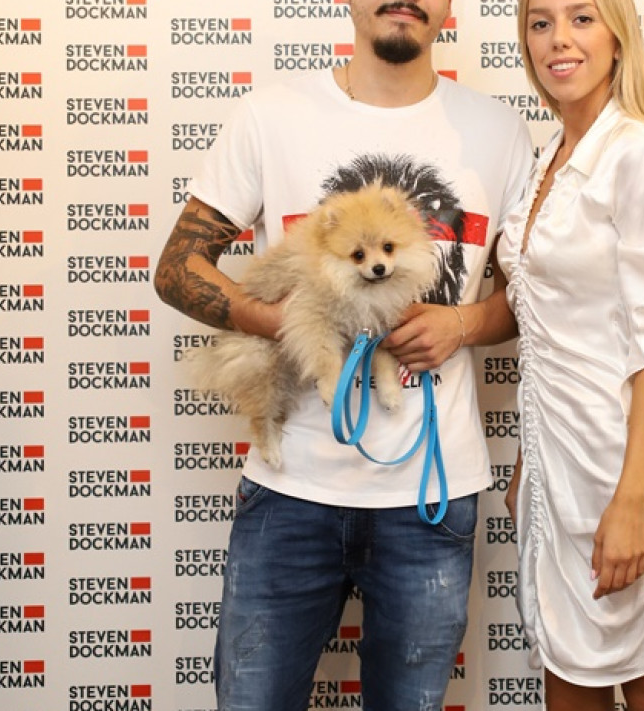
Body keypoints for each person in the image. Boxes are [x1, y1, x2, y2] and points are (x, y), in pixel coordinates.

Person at [153, 2, 533, 709]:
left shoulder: (499, 132)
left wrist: (462, 322)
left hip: (431, 494)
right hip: (289, 488)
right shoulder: (270, 116)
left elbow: (531, 297)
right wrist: (291, 324)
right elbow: (178, 268)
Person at [497, 0, 644, 709]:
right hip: (554, 471)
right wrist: (527, 463)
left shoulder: (635, 150)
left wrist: (631, 501)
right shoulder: (544, 162)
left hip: (624, 466)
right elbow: (544, 326)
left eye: (582, 18)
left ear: (618, 39)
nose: (559, 40)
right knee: (567, 676)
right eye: (541, 23)